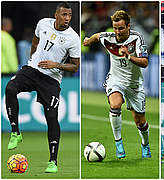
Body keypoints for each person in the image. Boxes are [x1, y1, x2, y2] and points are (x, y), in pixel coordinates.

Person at [5, 2, 80, 173]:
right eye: (64, 15)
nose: (67, 18)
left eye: (69, 15)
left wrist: (56, 65)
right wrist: (32, 60)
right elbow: (35, 41)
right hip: (32, 70)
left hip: (51, 79)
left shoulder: (73, 38)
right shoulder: (43, 23)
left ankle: (53, 161)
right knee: (10, 88)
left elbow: (75, 66)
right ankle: (15, 132)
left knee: (51, 117)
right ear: (56, 15)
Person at [83, 10, 151, 159]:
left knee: (140, 121)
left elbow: (145, 62)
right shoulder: (109, 38)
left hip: (134, 84)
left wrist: (129, 56)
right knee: (115, 105)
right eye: (115, 28)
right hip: (116, 80)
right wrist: (88, 40)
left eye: (120, 28)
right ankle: (118, 143)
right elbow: (97, 36)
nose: (117, 31)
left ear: (128, 26)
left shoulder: (136, 38)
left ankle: (145, 144)